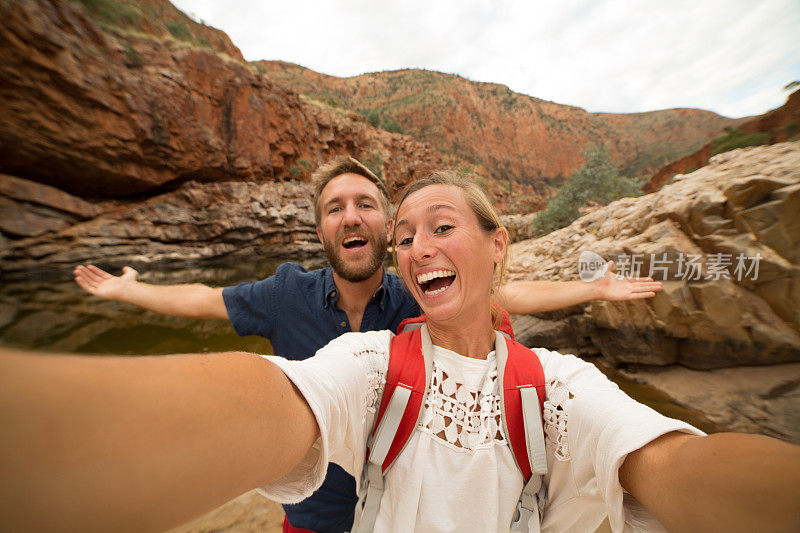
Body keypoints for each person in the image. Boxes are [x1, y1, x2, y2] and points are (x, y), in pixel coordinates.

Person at [2, 171, 798, 533]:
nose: (415, 246)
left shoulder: (539, 374)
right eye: (407, 235)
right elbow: (268, 391)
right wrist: (127, 295)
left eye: (430, 226)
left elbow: (668, 466)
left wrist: (594, 290)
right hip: (314, 518)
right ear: (324, 231)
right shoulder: (356, 346)